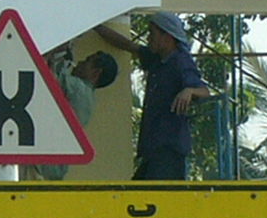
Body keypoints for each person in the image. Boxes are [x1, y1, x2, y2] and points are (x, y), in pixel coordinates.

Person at [95, 13, 209, 180]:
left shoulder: (180, 62)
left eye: (152, 34)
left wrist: (189, 91)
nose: (148, 38)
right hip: (154, 151)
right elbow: (128, 45)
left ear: (167, 37)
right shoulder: (157, 59)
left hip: (168, 151)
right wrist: (95, 28)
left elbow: (204, 91)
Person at [30, 45, 118, 180]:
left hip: (41, 164)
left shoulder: (78, 89)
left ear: (96, 73)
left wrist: (51, 50)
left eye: (87, 61)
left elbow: (45, 76)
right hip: (52, 166)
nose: (80, 63)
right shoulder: (87, 97)